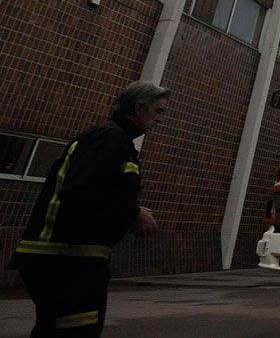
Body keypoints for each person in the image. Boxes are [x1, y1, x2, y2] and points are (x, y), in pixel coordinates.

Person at [6, 81, 166, 335]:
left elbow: (97, 190)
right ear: (138, 108)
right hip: (65, 260)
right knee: (74, 330)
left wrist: (130, 211)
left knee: (56, 329)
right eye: (158, 111)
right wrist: (133, 213)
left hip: (73, 259)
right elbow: (82, 190)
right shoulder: (110, 138)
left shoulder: (116, 139)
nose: (160, 119)